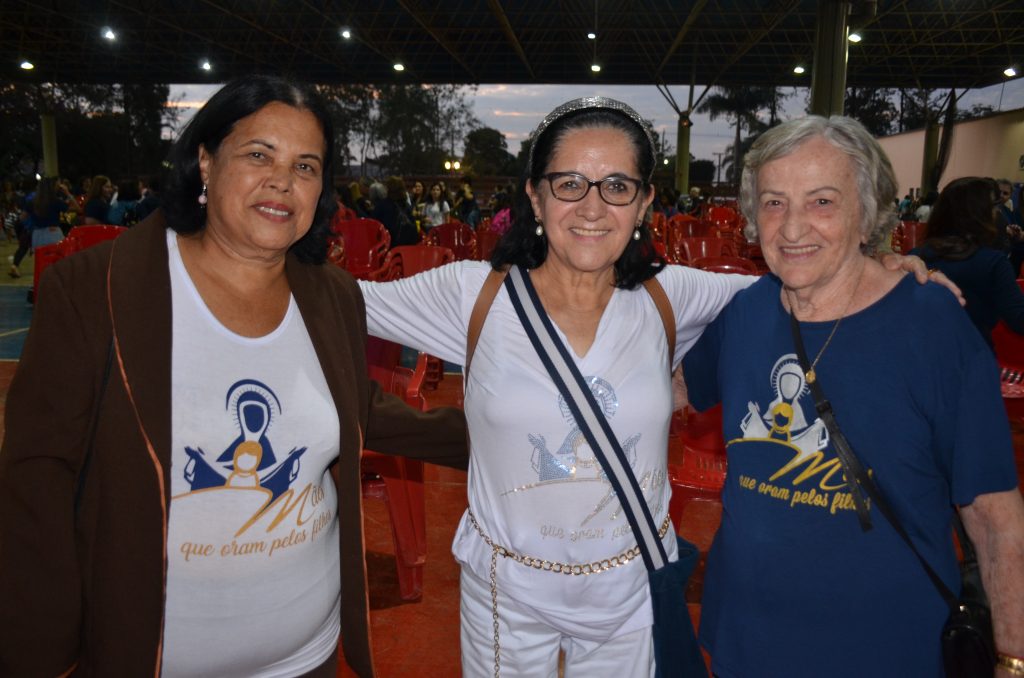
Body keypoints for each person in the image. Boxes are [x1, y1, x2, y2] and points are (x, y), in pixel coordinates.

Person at [356, 98, 944, 677]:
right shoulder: (472, 295)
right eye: (569, 184)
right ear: (534, 195)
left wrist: (880, 267)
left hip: (630, 585)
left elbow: (800, 281)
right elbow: (339, 302)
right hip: (505, 586)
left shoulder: (673, 296)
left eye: (617, 186)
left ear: (643, 205)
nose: (592, 207)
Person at [0, 74, 467, 678]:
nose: (282, 180)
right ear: (204, 161)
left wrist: (500, 435)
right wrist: (40, 657)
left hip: (309, 656)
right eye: (258, 154)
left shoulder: (330, 294)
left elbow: (359, 409)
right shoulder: (96, 291)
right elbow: (38, 480)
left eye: (306, 166)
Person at [682, 115, 1024, 677]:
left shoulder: (932, 326)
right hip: (747, 639)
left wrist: (1010, 660)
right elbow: (669, 391)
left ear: (867, 214)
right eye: (773, 202)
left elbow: (993, 517)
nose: (792, 228)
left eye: (821, 202)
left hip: (886, 649)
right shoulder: (747, 312)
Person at [911, 176, 1024, 350]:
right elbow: (1019, 318)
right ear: (982, 215)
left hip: (921, 358)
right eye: (994, 208)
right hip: (971, 360)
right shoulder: (993, 263)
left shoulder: (915, 258)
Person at [11, 176, 77, 277]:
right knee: (58, 263)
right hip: (53, 233)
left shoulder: (33, 202)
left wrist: (34, 221)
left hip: (37, 234)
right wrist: (67, 193)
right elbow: (77, 208)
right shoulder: (55, 201)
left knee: (42, 264)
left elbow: (22, 218)